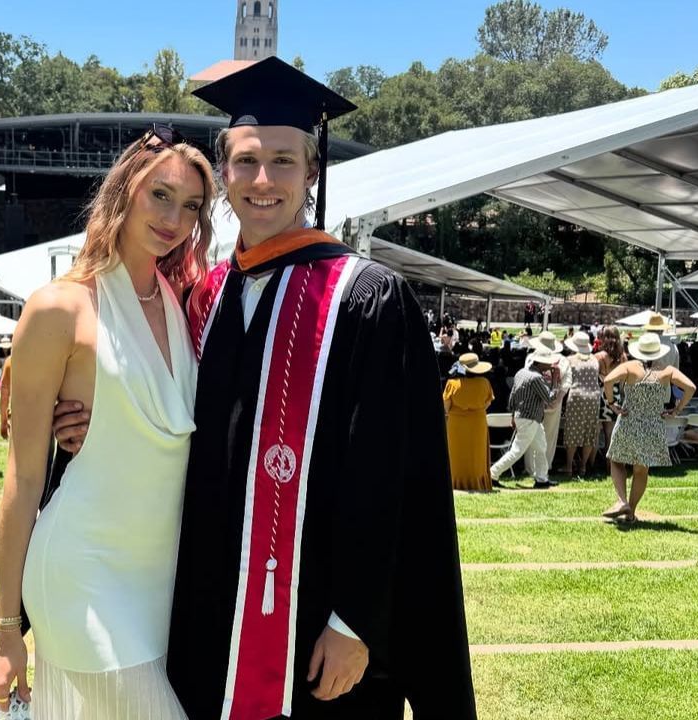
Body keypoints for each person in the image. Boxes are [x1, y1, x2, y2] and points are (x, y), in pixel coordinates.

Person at [172, 58, 474, 718]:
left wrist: (356, 621)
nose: (263, 180)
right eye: (246, 161)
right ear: (222, 172)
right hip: (205, 613)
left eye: (284, 161)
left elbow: (392, 477)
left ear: (313, 172)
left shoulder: (365, 298)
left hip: (318, 626)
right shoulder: (205, 297)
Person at [0, 127, 213, 718]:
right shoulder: (60, 306)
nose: (175, 219)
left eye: (191, 206)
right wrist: (9, 631)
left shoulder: (182, 300)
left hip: (159, 580)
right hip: (83, 573)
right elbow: (24, 478)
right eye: (160, 195)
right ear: (124, 191)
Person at [602, 333, 696, 522]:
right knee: (641, 470)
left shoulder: (629, 367)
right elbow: (691, 388)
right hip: (653, 425)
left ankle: (622, 501)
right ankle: (631, 511)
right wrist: (676, 410)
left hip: (629, 421)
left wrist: (612, 403)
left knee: (616, 461)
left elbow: (607, 381)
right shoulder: (667, 371)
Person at [490, 344, 560, 489]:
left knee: (541, 447)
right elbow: (549, 397)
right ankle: (492, 473)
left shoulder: (521, 373)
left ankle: (542, 479)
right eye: (547, 362)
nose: (550, 365)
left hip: (523, 416)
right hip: (530, 418)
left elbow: (513, 397)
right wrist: (555, 379)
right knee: (517, 450)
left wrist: (513, 416)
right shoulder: (536, 378)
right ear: (540, 363)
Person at [443, 353, 495, 491]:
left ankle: (456, 481)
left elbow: (445, 407)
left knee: (456, 454)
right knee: (477, 454)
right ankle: (477, 481)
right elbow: (487, 403)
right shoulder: (485, 383)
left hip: (456, 424)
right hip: (478, 423)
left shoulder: (452, 384)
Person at [524, 330, 571, 477]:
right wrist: (557, 400)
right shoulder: (563, 361)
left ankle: (533, 468)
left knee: (533, 434)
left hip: (534, 401)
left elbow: (527, 377)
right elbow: (567, 383)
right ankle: (545, 466)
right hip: (552, 401)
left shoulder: (531, 358)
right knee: (548, 436)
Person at [561, 331, 602, 476]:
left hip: (577, 395)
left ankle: (569, 466)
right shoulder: (594, 360)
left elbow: (563, 378)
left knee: (573, 431)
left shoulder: (570, 360)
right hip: (594, 397)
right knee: (588, 432)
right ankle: (583, 466)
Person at [595, 326, 627, 469]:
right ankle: (610, 467)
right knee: (610, 434)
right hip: (614, 395)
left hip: (601, 394)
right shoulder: (623, 356)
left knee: (595, 434)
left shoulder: (599, 357)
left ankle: (591, 464)